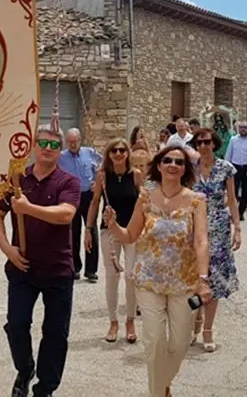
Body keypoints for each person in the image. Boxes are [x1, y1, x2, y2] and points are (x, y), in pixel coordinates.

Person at [104, 146, 211, 397]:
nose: (173, 165)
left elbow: (201, 241)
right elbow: (129, 235)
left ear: (185, 168)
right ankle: (158, 393)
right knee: (154, 344)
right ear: (159, 165)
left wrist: (203, 279)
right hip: (148, 281)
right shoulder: (145, 198)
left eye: (179, 162)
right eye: (168, 160)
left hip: (184, 283)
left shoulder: (197, 200)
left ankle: (162, 384)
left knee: (179, 343)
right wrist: (112, 224)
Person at [0, 125, 81, 397]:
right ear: (33, 146)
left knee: (55, 333)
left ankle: (45, 389)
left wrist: (29, 208)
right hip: (22, 268)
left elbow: (66, 214)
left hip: (58, 269)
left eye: (54, 145)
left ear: (60, 150)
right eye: (43, 143)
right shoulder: (16, 180)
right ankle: (25, 368)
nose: (48, 149)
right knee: (16, 324)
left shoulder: (68, 182)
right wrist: (8, 249)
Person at [85, 138, 144, 344]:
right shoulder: (102, 177)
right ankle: (113, 321)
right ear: (109, 155)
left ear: (127, 153)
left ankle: (130, 320)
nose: (118, 154)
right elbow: (94, 203)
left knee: (130, 276)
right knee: (111, 277)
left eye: (122, 150)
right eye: (114, 151)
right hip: (109, 231)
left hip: (132, 230)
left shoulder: (136, 175)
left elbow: (143, 202)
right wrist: (87, 229)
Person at [190, 128, 241, 352]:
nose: (203, 146)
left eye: (207, 142)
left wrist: (237, 228)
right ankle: (195, 324)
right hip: (194, 228)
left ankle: (208, 329)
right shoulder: (190, 169)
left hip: (219, 228)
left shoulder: (226, 168)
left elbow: (232, 200)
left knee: (215, 280)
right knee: (194, 276)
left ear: (214, 143)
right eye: (199, 142)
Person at [58, 128, 102, 282]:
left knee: (92, 230)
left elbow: (102, 167)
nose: (72, 144)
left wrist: (97, 182)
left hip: (89, 196)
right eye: (69, 142)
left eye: (75, 141)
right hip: (71, 197)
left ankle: (91, 270)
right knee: (73, 232)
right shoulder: (61, 157)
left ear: (80, 140)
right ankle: (75, 267)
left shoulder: (90, 152)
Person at [224, 121, 247, 219]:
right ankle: (233, 212)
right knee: (233, 192)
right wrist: (227, 168)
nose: (243, 129)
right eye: (241, 127)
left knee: (246, 191)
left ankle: (241, 212)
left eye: (245, 127)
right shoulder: (233, 139)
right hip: (235, 168)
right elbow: (228, 154)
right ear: (238, 129)